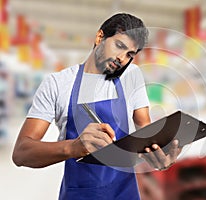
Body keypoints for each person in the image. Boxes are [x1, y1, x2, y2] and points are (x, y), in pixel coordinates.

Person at [12, 13, 181, 200]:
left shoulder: (131, 76)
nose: (122, 58)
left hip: (126, 193)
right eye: (119, 46)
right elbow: (21, 153)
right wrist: (73, 147)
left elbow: (145, 129)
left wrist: (160, 155)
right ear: (100, 37)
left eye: (130, 54)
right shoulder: (58, 83)